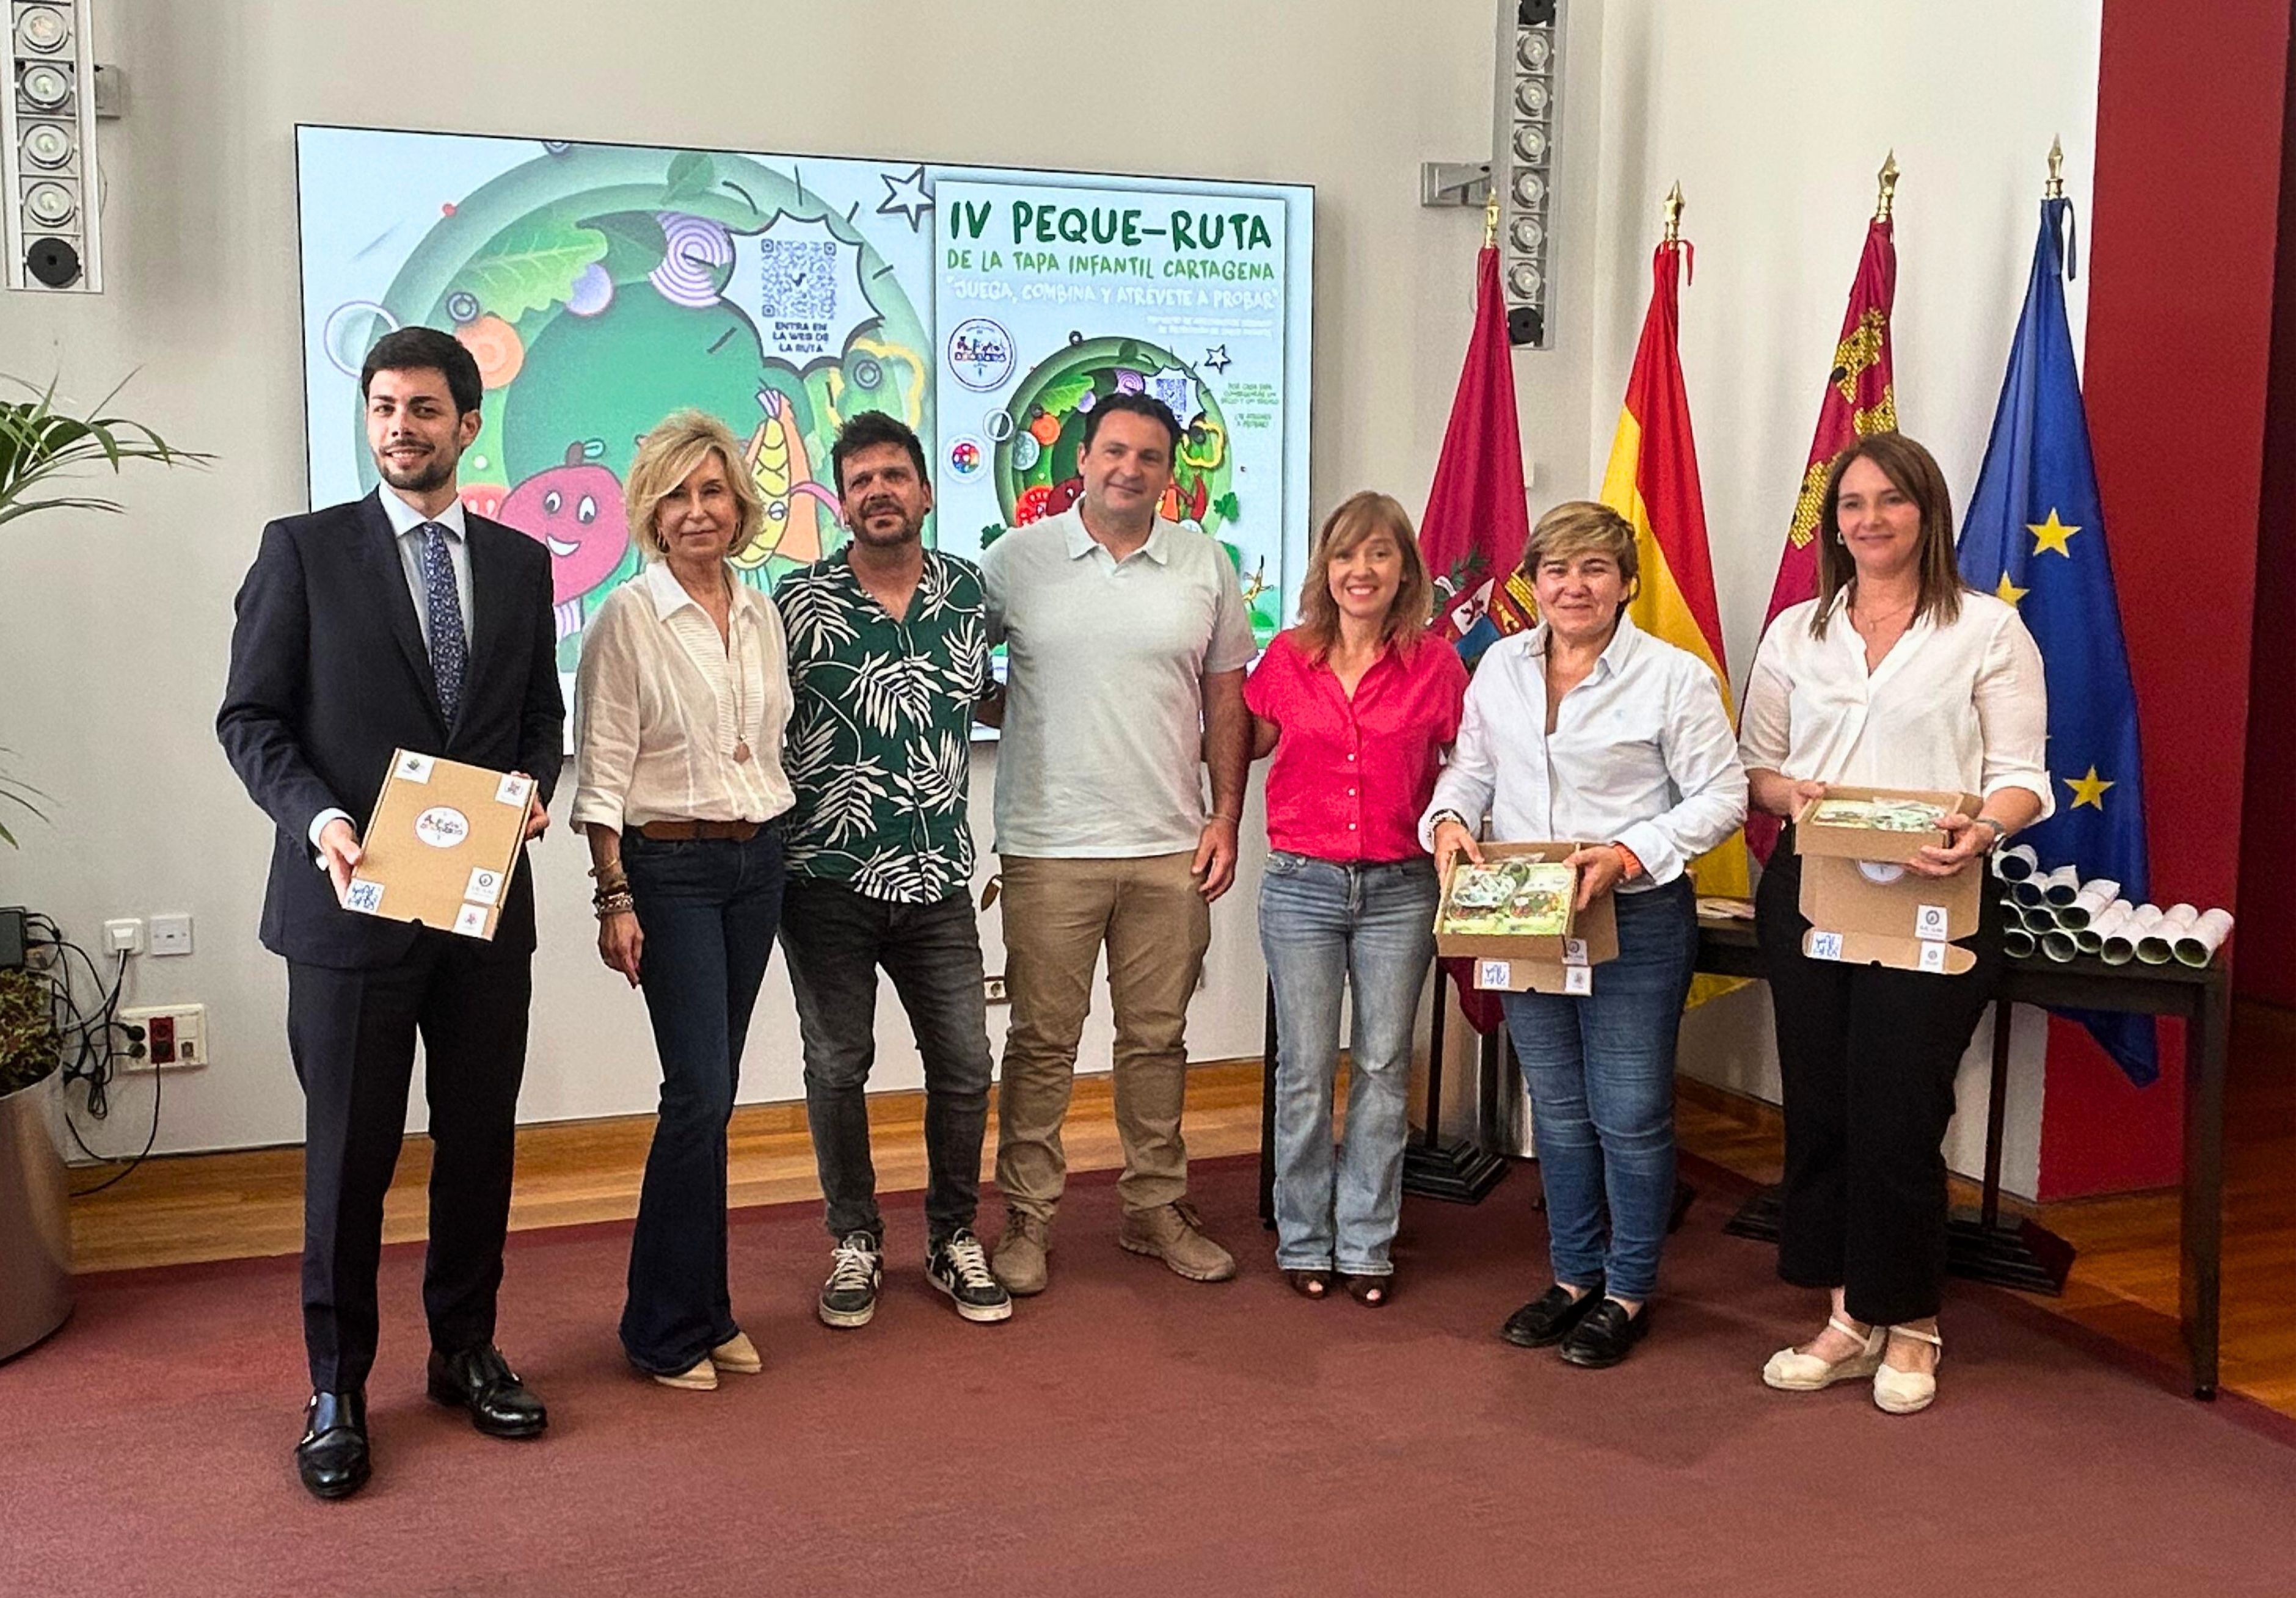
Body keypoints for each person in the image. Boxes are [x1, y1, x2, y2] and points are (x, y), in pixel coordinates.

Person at [218, 326, 561, 1501]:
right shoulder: (304, 552)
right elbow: (251, 719)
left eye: (422, 409)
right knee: (349, 1160)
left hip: (480, 912)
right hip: (347, 911)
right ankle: (337, 1386)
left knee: (479, 1144)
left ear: (468, 423)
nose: (400, 428)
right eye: (382, 407)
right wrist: (318, 818)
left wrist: (534, 791)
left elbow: (538, 719)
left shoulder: (521, 564)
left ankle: (464, 1350)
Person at [1741, 432, 2047, 1415]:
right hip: (1815, 889)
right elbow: (1758, 766)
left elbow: (2023, 777)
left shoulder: (1988, 630)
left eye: (1890, 500)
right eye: (1852, 504)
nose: (1869, 519)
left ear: (1928, 513)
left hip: (1936, 891)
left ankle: (1910, 1321)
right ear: (1833, 524)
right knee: (1823, 1104)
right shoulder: (1797, 632)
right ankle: (1845, 1315)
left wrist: (1980, 829)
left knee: (1902, 1108)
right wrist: (1792, 793)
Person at [1426, 501, 1746, 1369]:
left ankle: (1628, 1290)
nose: (1574, 586)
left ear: (1627, 584)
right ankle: (1573, 1279)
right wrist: (1448, 820)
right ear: (1533, 582)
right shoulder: (1500, 665)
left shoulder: (1673, 677)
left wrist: (1630, 853)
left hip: (1632, 914)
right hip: (1526, 911)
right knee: (1560, 1112)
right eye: (1557, 570)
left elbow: (1723, 796)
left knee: (1629, 1113)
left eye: (1595, 569)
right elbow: (1471, 770)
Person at [979, 391, 1256, 1294]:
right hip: (1048, 845)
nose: (1128, 469)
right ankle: (1027, 1217)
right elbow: (959, 673)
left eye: (1148, 456)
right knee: (1041, 1042)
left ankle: (1154, 1207)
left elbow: (1226, 698)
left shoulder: (1205, 563)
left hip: (1170, 846)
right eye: (1113, 451)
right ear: (1082, 460)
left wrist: (1225, 817)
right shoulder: (1015, 561)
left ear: (1171, 472)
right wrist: (1027, 714)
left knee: (1156, 1039)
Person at [570, 410, 795, 1392]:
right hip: (669, 871)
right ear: (651, 513)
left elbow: (765, 747)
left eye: (713, 491)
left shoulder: (761, 610)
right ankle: (660, 1327)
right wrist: (613, 895)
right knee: (696, 1092)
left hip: (757, 863)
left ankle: (710, 1308)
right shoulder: (627, 616)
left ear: (738, 504)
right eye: (676, 496)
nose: (698, 511)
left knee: (717, 1096)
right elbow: (603, 769)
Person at [774, 411, 1010, 1329]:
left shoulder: (967, 592)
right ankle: (855, 1238)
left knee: (966, 1063)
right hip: (825, 877)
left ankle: (953, 1235)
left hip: (938, 876)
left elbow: (986, 696)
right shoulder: (796, 601)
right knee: (839, 1063)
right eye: (861, 480)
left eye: (894, 476)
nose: (878, 491)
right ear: (842, 502)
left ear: (925, 491)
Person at [1246, 492, 1465, 1306]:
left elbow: (1473, 768)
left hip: (1401, 889)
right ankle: (1304, 1236)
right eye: (1346, 554)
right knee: (1304, 1068)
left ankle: (1367, 1241)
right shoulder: (1286, 658)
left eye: (1379, 553)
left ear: (1405, 569)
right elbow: (1236, 742)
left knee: (1381, 1064)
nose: (1361, 570)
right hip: (1301, 887)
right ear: (1326, 568)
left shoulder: (1437, 666)